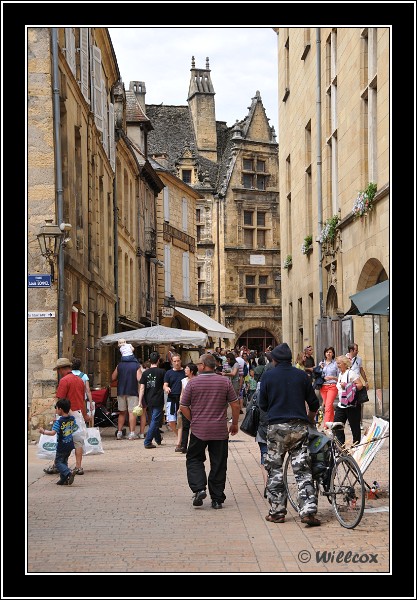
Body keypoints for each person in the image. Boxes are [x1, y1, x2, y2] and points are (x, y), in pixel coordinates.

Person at [258, 343, 321, 526]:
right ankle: (308, 511)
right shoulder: (301, 375)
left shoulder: (269, 376)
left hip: (276, 428)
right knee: (303, 470)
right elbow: (314, 404)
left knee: (275, 470)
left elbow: (262, 405)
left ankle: (277, 512)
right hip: (298, 427)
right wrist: (309, 419)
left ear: (275, 360)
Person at [180, 353, 240, 509]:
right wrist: (234, 423)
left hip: (199, 430)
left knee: (194, 459)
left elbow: (183, 406)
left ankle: (199, 488)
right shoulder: (225, 382)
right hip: (220, 430)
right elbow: (235, 405)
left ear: (203, 365)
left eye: (199, 363)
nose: (198, 366)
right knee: (219, 464)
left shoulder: (192, 384)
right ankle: (217, 499)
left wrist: (193, 419)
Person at [53, 357, 87, 475]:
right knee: (78, 441)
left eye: (58, 370)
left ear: (62, 369)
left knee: (62, 440)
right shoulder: (79, 380)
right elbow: (83, 399)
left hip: (66, 414)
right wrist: (85, 414)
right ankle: (78, 466)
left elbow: (60, 399)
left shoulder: (64, 381)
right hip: (78, 413)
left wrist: (55, 415)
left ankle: (58, 464)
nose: (58, 372)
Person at [39, 398, 76, 486]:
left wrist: (43, 432)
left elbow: (53, 433)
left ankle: (68, 473)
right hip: (70, 444)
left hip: (62, 445)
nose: (56, 410)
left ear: (60, 409)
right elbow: (73, 425)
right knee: (64, 461)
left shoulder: (59, 422)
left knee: (58, 463)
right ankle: (63, 479)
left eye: (57, 408)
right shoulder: (72, 419)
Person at [334, 355, 363, 447]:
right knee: (337, 426)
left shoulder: (351, 373)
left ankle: (356, 447)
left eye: (339, 363)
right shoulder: (340, 374)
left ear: (345, 364)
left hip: (351, 405)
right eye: (337, 363)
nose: (337, 365)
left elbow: (360, 385)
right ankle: (341, 446)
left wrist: (346, 385)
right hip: (341, 404)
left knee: (355, 428)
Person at [111, 354, 142, 440]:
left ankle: (119, 432)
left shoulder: (119, 365)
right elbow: (139, 379)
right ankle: (132, 433)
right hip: (132, 390)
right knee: (132, 412)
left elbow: (113, 377)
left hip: (121, 391)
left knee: (122, 412)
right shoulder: (136, 365)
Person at [138, 352, 165, 449]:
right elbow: (165, 386)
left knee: (154, 419)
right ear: (158, 360)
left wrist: (140, 401)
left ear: (149, 360)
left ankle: (157, 439)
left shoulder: (145, 373)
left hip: (148, 399)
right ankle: (148, 441)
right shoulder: (162, 372)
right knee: (154, 420)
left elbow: (142, 388)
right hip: (158, 398)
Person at [176, 362, 198, 453]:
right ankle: (183, 446)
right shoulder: (184, 381)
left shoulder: (197, 380)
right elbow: (182, 394)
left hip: (196, 407)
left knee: (195, 427)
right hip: (186, 407)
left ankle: (194, 445)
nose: (185, 370)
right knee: (185, 426)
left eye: (187, 369)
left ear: (192, 371)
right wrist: (180, 406)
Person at [346, 343, 370, 428]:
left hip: (357, 383)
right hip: (348, 384)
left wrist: (366, 381)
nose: (357, 351)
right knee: (349, 403)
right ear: (351, 350)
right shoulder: (344, 358)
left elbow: (361, 370)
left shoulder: (359, 359)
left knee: (360, 402)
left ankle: (360, 422)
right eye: (356, 350)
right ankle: (351, 421)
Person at [163, 354, 185, 433]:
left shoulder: (185, 372)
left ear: (180, 361)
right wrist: (166, 388)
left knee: (182, 421)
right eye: (175, 361)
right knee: (171, 421)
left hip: (183, 399)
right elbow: (165, 385)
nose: (176, 363)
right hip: (171, 398)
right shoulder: (168, 373)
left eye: (178, 361)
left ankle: (181, 438)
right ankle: (178, 436)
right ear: (172, 362)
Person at [318, 347, 339, 429]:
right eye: (327, 352)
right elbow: (318, 375)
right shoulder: (321, 363)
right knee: (329, 407)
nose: (328, 353)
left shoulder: (336, 364)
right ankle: (332, 423)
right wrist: (320, 369)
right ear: (325, 353)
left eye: (330, 352)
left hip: (332, 386)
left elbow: (339, 377)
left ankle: (325, 426)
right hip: (323, 386)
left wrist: (332, 378)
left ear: (333, 354)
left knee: (328, 405)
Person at [71, 357, 94, 427]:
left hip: (71, 398)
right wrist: (91, 403)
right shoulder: (84, 376)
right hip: (81, 399)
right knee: (83, 416)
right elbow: (88, 390)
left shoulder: (69, 375)